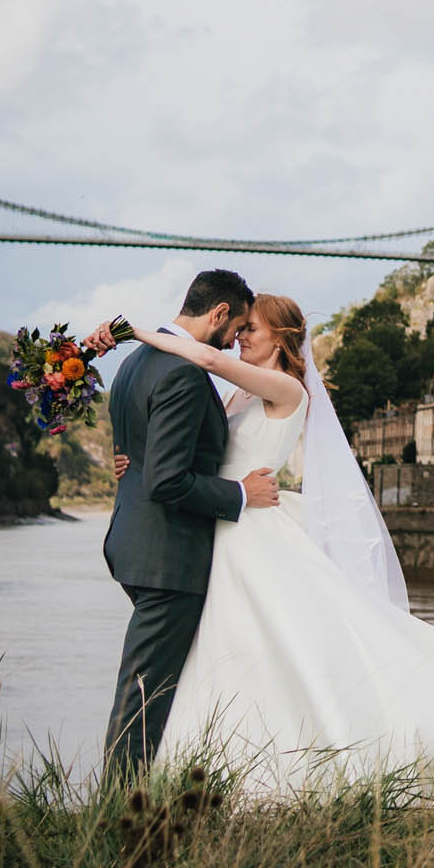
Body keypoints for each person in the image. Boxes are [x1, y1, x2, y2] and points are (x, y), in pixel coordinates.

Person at [88, 290, 434, 794]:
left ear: (281, 338)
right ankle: (214, 762)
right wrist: (138, 464)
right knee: (236, 652)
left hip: (252, 527)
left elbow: (205, 360)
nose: (239, 338)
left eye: (251, 329)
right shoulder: (238, 395)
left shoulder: (287, 390)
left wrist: (136, 331)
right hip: (225, 527)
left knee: (277, 646)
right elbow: (195, 450)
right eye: (241, 327)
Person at [100, 268, 279, 777]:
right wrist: (242, 492)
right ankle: (118, 805)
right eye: (237, 327)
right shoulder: (181, 372)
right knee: (145, 689)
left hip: (134, 544)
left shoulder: (135, 363)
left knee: (155, 681)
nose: (236, 339)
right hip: (167, 554)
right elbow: (166, 480)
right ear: (219, 313)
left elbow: (136, 456)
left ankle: (151, 786)